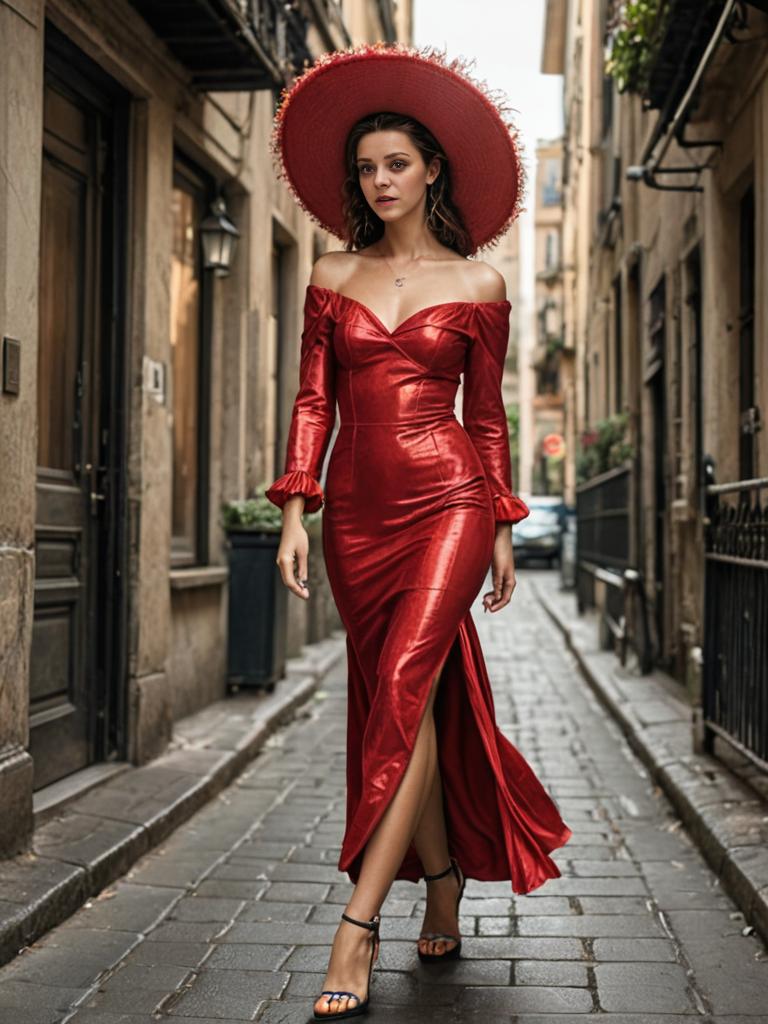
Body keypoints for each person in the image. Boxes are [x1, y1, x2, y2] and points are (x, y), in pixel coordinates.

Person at [264, 41, 573, 1021]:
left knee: (404, 688)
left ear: (432, 168)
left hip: (447, 501)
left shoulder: (480, 287)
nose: (381, 180)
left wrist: (501, 525)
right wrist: (295, 510)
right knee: (405, 707)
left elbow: (488, 419)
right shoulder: (330, 270)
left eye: (397, 163)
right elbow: (314, 399)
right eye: (367, 168)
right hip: (354, 513)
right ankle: (440, 880)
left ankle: (356, 924)